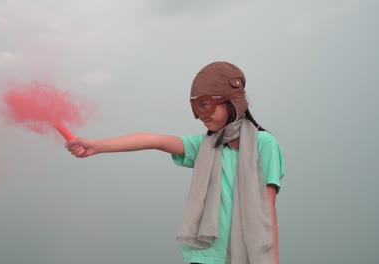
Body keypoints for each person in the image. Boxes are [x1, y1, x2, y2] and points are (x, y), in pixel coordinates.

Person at [66, 61, 285, 264]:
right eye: (196, 108)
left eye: (206, 105)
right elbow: (153, 140)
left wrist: (272, 260)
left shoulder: (264, 144)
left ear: (232, 102)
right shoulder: (204, 144)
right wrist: (97, 146)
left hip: (247, 255)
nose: (201, 116)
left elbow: (267, 208)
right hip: (205, 255)